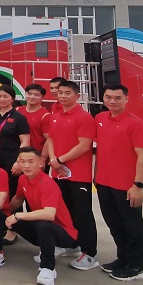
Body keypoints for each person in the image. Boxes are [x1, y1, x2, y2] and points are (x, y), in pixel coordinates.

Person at [95, 84, 143, 281]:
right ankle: (123, 259)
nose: (112, 101)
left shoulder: (136, 124)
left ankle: (136, 267)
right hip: (103, 182)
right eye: (108, 97)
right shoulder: (100, 118)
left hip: (126, 186)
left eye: (118, 98)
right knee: (114, 224)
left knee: (132, 226)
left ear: (126, 99)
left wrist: (138, 185)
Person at [5, 147, 79, 285]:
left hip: (65, 234)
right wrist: (4, 214)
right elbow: (18, 199)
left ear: (40, 164)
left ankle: (48, 269)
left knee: (43, 224)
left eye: (31, 161)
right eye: (22, 162)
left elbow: (49, 214)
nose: (26, 165)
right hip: (42, 229)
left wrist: (18, 215)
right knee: (8, 219)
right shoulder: (23, 179)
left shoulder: (48, 184)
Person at [46, 80, 98, 270]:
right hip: (57, 173)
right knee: (63, 212)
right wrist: (53, 160)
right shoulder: (55, 116)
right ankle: (70, 244)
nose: (63, 96)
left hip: (78, 175)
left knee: (82, 214)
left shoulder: (84, 118)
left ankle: (89, 253)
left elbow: (84, 145)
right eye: (60, 92)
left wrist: (60, 160)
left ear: (77, 96)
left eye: (67, 93)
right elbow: (50, 140)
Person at [0, 84, 31, 243]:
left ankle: (12, 229)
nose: (2, 99)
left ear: (12, 99)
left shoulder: (19, 118)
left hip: (11, 162)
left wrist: (19, 162)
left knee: (12, 194)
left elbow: (25, 141)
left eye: (5, 96)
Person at [17, 83, 51, 158]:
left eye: (36, 95)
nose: (32, 97)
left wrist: (43, 157)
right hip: (16, 154)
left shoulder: (46, 116)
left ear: (42, 97)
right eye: (29, 94)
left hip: (35, 156)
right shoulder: (17, 110)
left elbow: (49, 140)